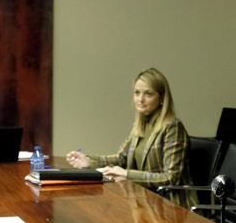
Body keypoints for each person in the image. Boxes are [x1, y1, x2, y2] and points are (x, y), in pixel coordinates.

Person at [65, 67, 195, 208]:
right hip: (145, 202)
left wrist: (127, 174)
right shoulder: (141, 125)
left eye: (148, 94)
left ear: (162, 98)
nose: (140, 99)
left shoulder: (172, 126)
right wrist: (89, 161)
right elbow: (121, 158)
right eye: (137, 93)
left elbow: (171, 178)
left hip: (171, 207)